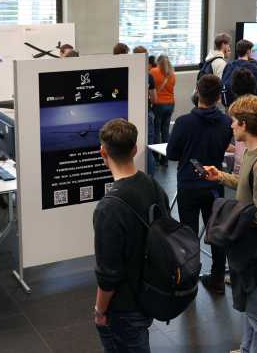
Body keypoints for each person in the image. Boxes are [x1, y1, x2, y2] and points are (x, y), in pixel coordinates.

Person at [204, 95, 257, 353]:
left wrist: (234, 217)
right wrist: (221, 176)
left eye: (234, 121)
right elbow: (245, 185)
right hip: (249, 244)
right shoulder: (250, 152)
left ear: (245, 124)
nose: (231, 126)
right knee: (251, 305)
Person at [93, 119, 169, 353]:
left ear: (102, 152)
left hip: (124, 306)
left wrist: (99, 310)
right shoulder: (154, 187)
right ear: (135, 149)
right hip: (150, 293)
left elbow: (108, 275)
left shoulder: (108, 208)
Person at [167, 75, 232, 294]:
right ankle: (217, 280)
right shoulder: (226, 122)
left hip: (189, 184)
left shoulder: (184, 122)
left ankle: (190, 280)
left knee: (189, 235)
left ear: (197, 91)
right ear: (218, 96)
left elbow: (172, 154)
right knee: (217, 233)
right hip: (215, 183)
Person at [134, 47, 157, 175]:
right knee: (148, 149)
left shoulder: (130, 73)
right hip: (147, 113)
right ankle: (150, 181)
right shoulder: (149, 77)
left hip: (134, 114)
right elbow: (154, 98)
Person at [150, 54, 176, 165]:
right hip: (170, 104)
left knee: (156, 131)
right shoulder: (172, 74)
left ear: (158, 62)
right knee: (165, 131)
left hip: (158, 105)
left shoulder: (153, 72)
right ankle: (165, 159)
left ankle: (155, 158)